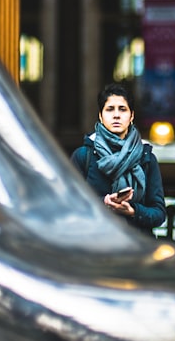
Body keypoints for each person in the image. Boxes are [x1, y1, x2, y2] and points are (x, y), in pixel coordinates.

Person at [71, 83, 167, 235]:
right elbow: (69, 206)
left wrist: (133, 211)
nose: (116, 115)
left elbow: (159, 213)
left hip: (136, 249)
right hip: (95, 247)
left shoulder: (146, 158)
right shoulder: (84, 156)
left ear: (132, 116)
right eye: (110, 109)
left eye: (122, 109)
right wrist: (104, 203)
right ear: (101, 116)